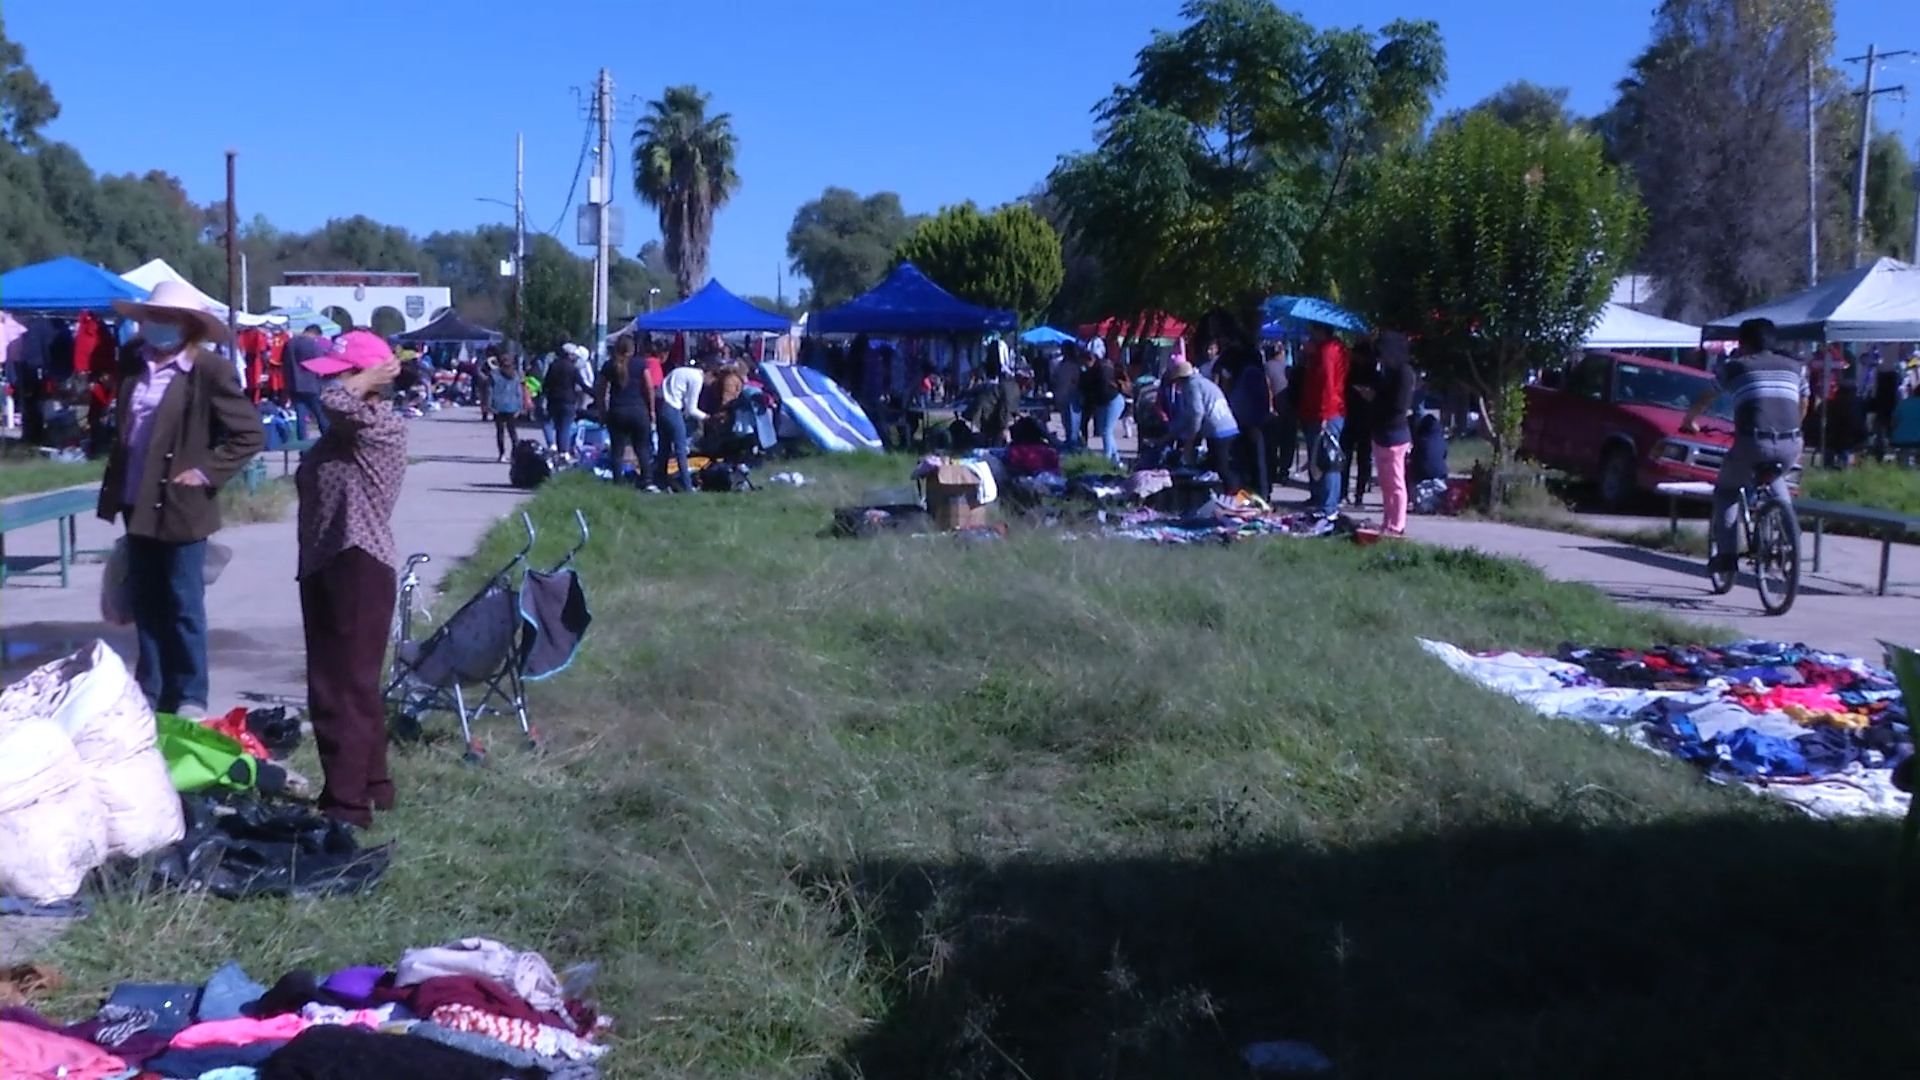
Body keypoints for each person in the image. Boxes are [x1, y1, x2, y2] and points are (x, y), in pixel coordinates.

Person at [96, 281, 266, 717]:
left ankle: (190, 693)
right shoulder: (134, 362)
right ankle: (150, 690)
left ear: (189, 325)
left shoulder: (208, 370)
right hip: (136, 497)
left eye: (168, 319)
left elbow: (249, 433)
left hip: (182, 504)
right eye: (152, 317)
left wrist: (207, 470)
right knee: (146, 601)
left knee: (182, 603)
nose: (157, 325)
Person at [293, 331, 406, 829]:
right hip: (327, 561)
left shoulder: (379, 425)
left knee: (341, 687)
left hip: (356, 562)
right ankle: (372, 785)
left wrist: (367, 377)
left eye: (343, 372)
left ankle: (345, 804)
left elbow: (335, 400)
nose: (334, 382)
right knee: (351, 685)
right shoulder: (346, 430)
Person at [1681, 317, 1808, 581]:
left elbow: (1707, 395)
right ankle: (1787, 534)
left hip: (1753, 441)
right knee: (1776, 477)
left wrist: (1690, 420)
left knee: (1727, 491)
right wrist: (1790, 427)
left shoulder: (1736, 367)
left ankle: (1726, 556)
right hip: (1791, 442)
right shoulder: (1796, 368)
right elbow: (1805, 401)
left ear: (1744, 343)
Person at [1359, 331, 1418, 537]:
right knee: (1385, 483)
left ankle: (1397, 524)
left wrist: (1375, 400)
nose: (1381, 357)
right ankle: (1387, 521)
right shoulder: (1386, 372)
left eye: (1383, 352)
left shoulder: (1405, 373)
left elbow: (1399, 405)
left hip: (1395, 433)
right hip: (1380, 431)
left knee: (1396, 483)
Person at [1297, 321, 1349, 516]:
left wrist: (1325, 414)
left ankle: (1328, 504)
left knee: (1328, 459)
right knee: (1316, 458)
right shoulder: (1322, 350)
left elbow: (1328, 383)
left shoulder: (1329, 351)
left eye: (1312, 331)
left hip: (1326, 412)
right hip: (1315, 410)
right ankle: (1318, 497)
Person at [1165, 359, 1240, 492]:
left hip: (1219, 430)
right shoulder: (1202, 382)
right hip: (1228, 427)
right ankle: (1222, 494)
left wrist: (1191, 438)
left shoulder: (1192, 386)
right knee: (1213, 465)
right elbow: (1188, 417)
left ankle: (1237, 497)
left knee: (1222, 468)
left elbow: (1197, 413)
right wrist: (1171, 434)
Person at [598, 336, 657, 489]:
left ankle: (618, 482)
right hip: (638, 409)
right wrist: (651, 410)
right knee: (642, 448)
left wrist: (603, 412)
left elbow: (601, 391)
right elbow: (649, 387)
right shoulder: (640, 363)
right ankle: (647, 481)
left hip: (617, 410)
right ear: (632, 348)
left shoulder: (608, 365)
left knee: (617, 450)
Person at [657, 353, 709, 491]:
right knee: (681, 448)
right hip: (672, 409)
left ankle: (660, 480)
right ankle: (687, 486)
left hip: (660, 405)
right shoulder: (697, 379)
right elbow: (692, 409)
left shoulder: (683, 371)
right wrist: (707, 417)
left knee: (664, 448)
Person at [1342, 338, 1378, 506]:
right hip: (1356, 416)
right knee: (1352, 457)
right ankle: (1349, 492)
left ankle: (1358, 493)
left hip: (1363, 417)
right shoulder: (1352, 371)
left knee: (1362, 458)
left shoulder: (1371, 374)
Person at [1079, 345, 1126, 464]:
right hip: (1108, 401)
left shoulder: (1102, 369)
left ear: (1090, 358)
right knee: (1105, 430)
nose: (1084, 364)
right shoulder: (1097, 368)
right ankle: (1116, 460)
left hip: (1112, 401)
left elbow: (1105, 390)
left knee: (1106, 430)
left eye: (1085, 361)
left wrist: (1095, 400)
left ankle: (1107, 459)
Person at [286, 325, 330, 439]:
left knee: (301, 416)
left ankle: (302, 446)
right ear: (315, 334)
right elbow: (320, 363)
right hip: (311, 385)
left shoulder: (289, 343)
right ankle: (329, 441)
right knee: (321, 415)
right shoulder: (312, 344)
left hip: (294, 384)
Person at [543, 344, 586, 457]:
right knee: (565, 427)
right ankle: (564, 452)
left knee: (558, 427)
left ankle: (558, 450)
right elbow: (582, 384)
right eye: (574, 355)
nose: (576, 358)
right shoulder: (573, 368)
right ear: (569, 355)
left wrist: (546, 395)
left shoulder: (553, 366)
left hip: (554, 400)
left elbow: (546, 383)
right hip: (568, 400)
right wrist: (594, 393)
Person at [486, 349, 527, 461]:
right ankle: (515, 455)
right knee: (513, 432)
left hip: (497, 406)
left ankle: (502, 454)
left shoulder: (494, 374)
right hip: (512, 406)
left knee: (500, 432)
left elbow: (490, 391)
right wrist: (520, 407)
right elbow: (519, 392)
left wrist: (489, 405)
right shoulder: (516, 375)